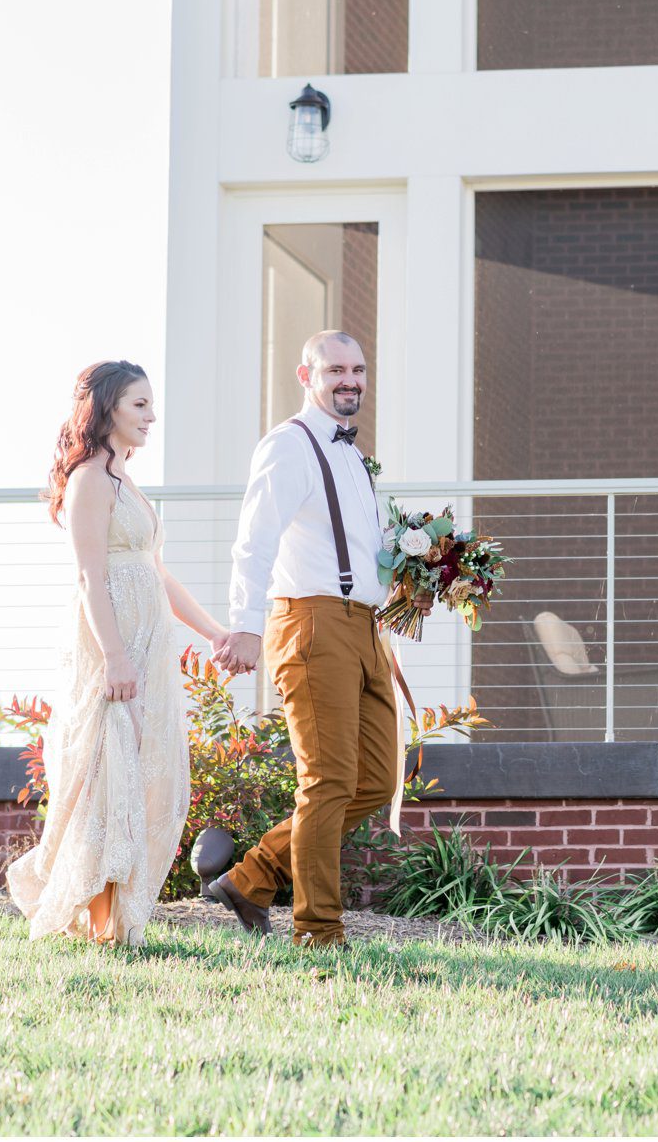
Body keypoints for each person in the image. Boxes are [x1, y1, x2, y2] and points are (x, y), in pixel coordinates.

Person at [7, 360, 227, 946]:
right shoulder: (89, 479)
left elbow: (157, 576)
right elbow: (90, 576)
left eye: (152, 404)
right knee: (109, 778)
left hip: (147, 647)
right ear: (107, 408)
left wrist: (214, 633)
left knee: (141, 780)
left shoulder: (126, 479)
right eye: (140, 405)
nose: (152, 416)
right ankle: (102, 926)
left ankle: (118, 920)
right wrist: (114, 660)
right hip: (112, 647)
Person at [206, 330, 409, 947]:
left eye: (359, 369)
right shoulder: (289, 447)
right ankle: (319, 932)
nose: (350, 380)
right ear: (307, 375)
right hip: (313, 623)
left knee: (375, 780)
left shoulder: (350, 454)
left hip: (366, 626)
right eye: (336, 370)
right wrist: (243, 625)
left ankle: (253, 876)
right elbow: (255, 539)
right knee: (325, 781)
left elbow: (357, 546)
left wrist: (419, 573)